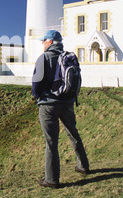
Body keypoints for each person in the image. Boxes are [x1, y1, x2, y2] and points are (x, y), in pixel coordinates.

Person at [32, 30, 90, 189]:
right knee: (73, 133)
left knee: (51, 142)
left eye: (43, 40)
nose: (42, 43)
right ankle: (83, 166)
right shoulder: (67, 57)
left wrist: (37, 96)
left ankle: (51, 179)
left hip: (49, 104)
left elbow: (36, 84)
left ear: (50, 42)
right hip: (67, 102)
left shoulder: (44, 58)